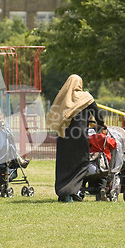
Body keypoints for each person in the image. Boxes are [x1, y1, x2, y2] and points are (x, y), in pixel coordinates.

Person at [47, 74, 107, 202]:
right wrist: (102, 125)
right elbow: (98, 115)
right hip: (79, 136)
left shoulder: (62, 98)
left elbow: (55, 116)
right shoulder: (86, 97)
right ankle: (72, 191)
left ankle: (63, 192)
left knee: (64, 164)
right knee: (81, 164)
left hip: (64, 136)